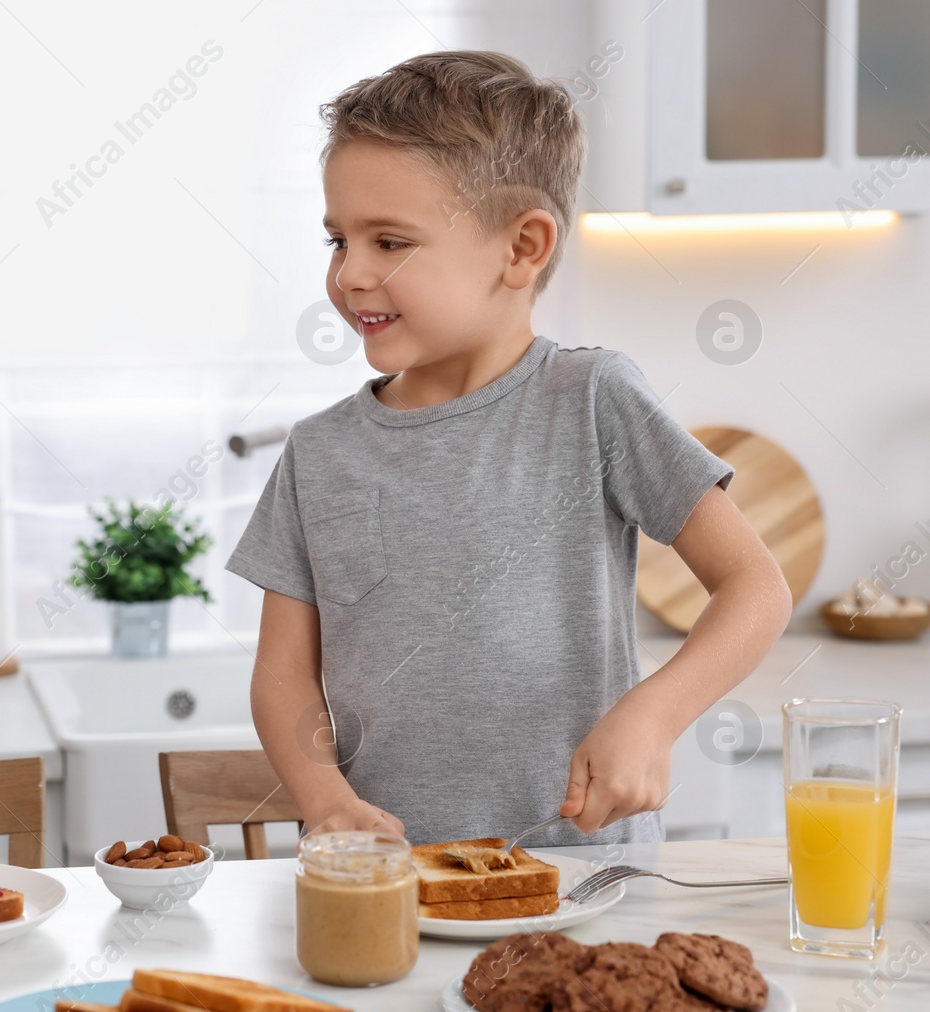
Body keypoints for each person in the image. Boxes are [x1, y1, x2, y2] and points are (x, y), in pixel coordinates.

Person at [227, 51, 791, 847]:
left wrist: (655, 713)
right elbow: (283, 675)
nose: (351, 274)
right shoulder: (319, 455)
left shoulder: (591, 400)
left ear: (521, 249)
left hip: (584, 883)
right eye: (338, 240)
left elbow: (755, 586)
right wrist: (325, 797)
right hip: (395, 887)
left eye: (389, 241)